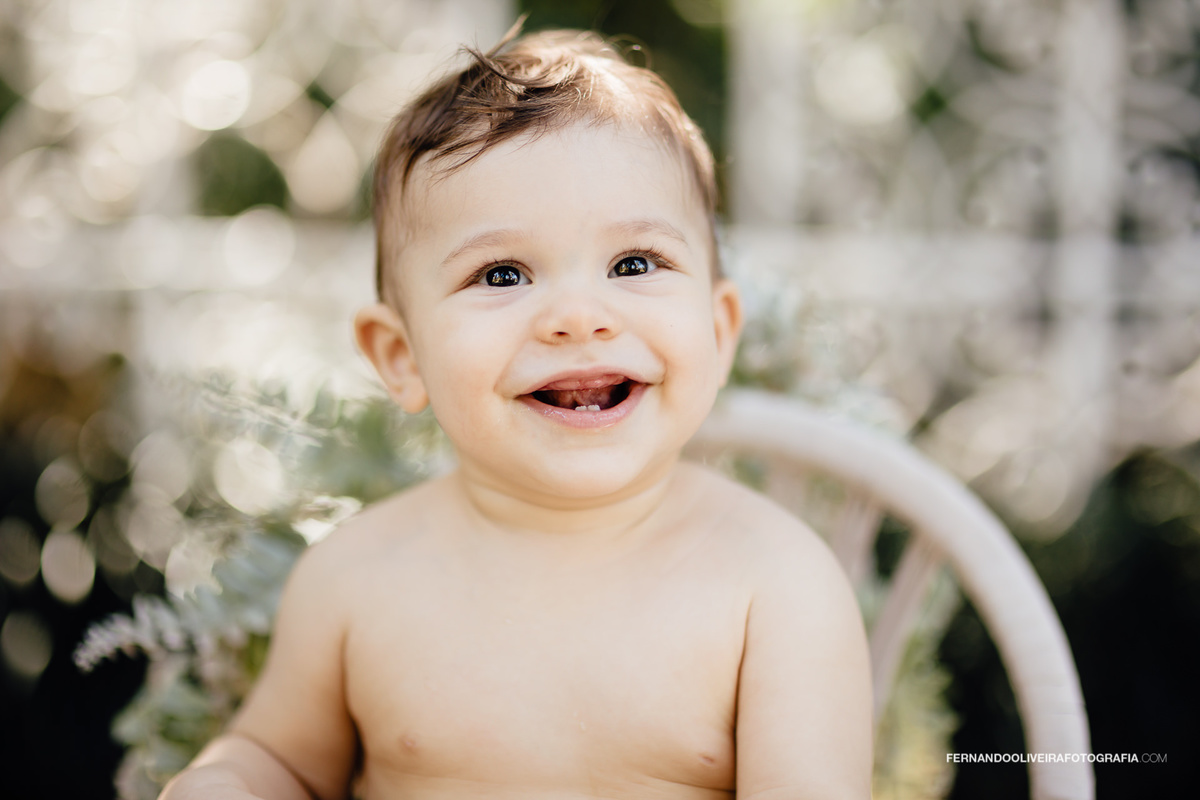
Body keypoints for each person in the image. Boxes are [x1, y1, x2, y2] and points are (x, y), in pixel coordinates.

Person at [160, 26, 872, 800]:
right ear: (401, 358)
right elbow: (280, 758)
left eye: (634, 264)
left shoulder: (776, 586)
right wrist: (226, 782)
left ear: (719, 329)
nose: (578, 316)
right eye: (502, 274)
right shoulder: (356, 577)